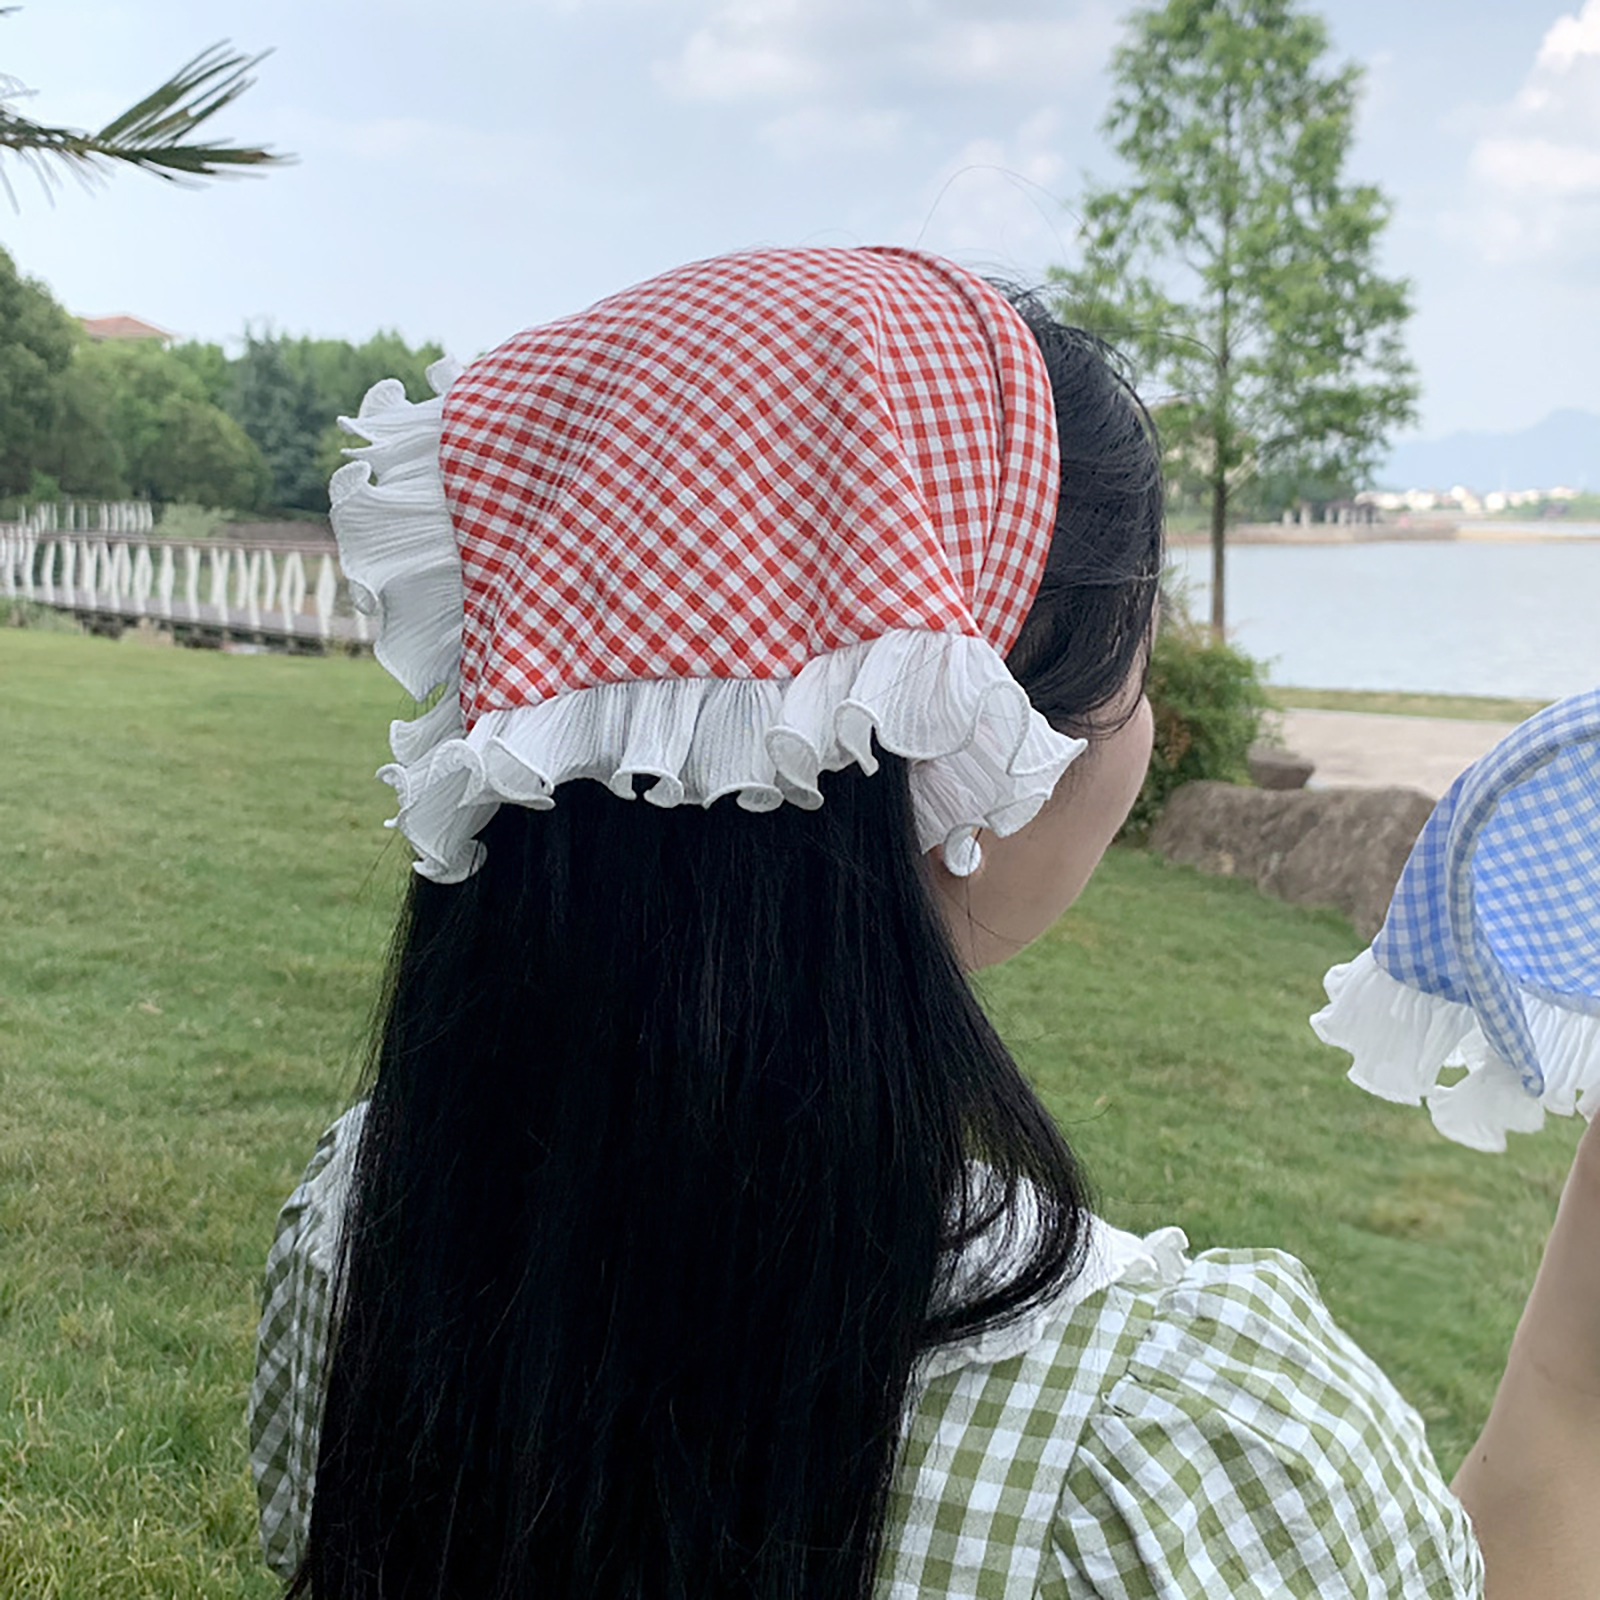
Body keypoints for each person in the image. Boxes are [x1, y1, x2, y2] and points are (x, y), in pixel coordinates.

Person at [248, 246, 1584, 1600]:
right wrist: (1573, 1397)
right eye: (1144, 656)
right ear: (977, 752)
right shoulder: (1168, 1449)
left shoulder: (361, 1226)